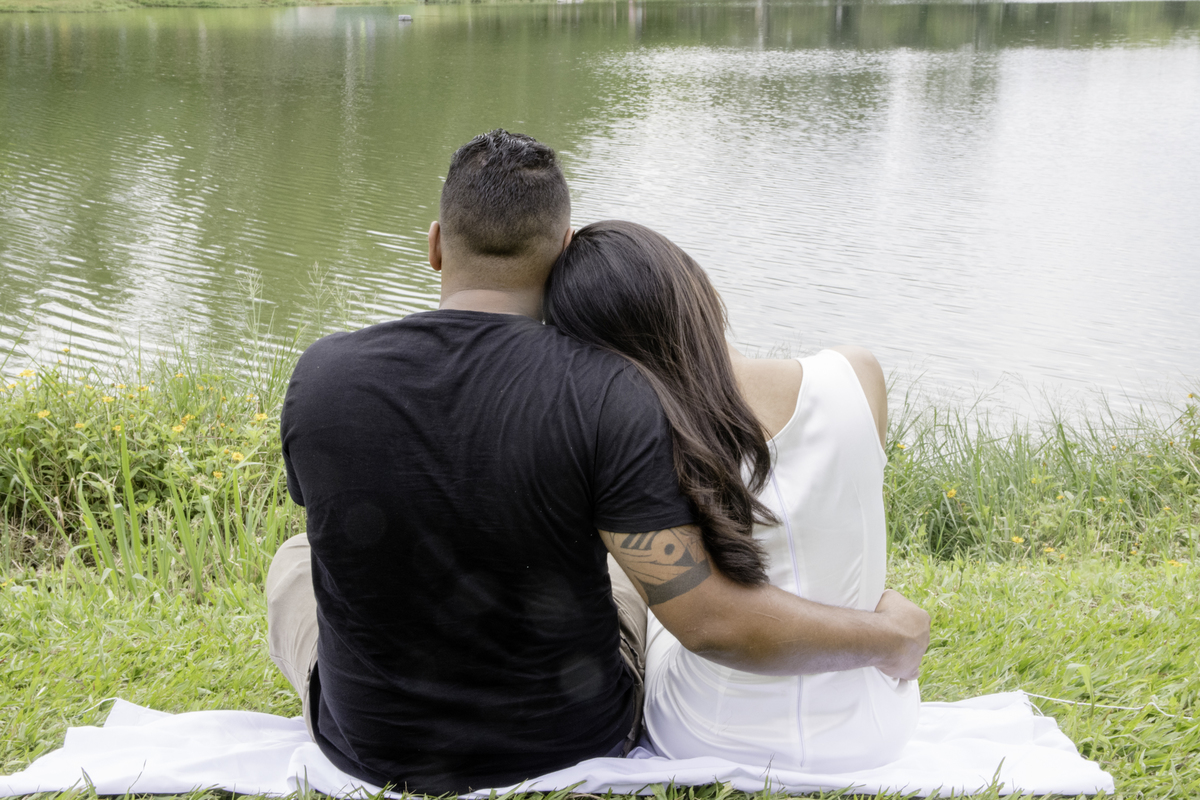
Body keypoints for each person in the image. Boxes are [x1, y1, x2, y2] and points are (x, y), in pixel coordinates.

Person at [267, 131, 930, 796]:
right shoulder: (610, 394)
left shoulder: (322, 377)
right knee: (621, 564)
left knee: (298, 559)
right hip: (572, 739)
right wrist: (885, 637)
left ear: (436, 244)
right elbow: (705, 620)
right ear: (562, 251)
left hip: (371, 747)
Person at [544, 220, 921, 773]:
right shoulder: (856, 374)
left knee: (624, 569)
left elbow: (710, 625)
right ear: (704, 292)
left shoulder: (638, 442)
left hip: (709, 734)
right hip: (873, 730)